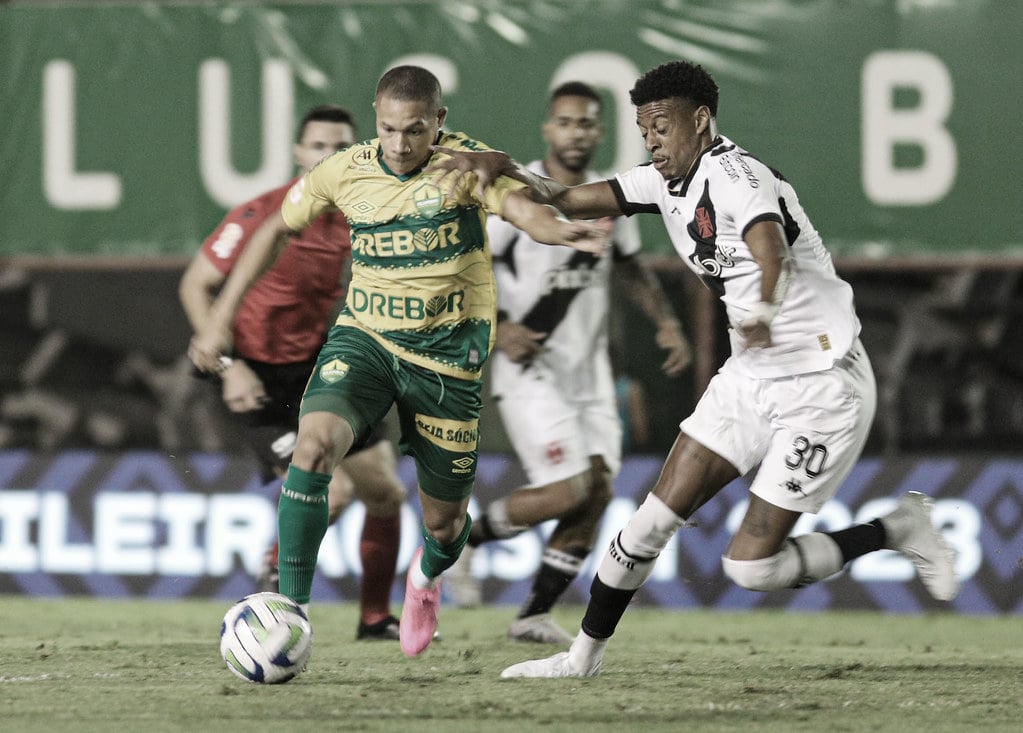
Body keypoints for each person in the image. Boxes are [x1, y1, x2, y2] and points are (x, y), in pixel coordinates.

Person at [428, 59, 958, 678]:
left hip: (822, 382)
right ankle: (580, 659)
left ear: (700, 120)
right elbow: (565, 196)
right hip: (750, 376)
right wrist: (504, 168)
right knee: (648, 523)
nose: (651, 139)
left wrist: (760, 307)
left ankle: (897, 528)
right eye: (643, 128)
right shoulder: (661, 182)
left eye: (661, 125)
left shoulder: (738, 177)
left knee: (751, 567)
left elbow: (771, 248)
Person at [187, 65, 610, 659]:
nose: (400, 144)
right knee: (313, 449)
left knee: (443, 527)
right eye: (388, 130)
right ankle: (291, 612)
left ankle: (425, 577)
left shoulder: (466, 165)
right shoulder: (344, 169)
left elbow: (524, 212)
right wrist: (221, 319)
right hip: (367, 342)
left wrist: (562, 232)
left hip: (447, 363)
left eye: (414, 130)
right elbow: (272, 231)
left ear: (438, 122)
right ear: (377, 120)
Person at [446, 82, 692, 646]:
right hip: (531, 368)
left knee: (599, 493)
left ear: (601, 132)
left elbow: (628, 266)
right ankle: (459, 541)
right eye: (566, 122)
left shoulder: (609, 197)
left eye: (587, 123)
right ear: (548, 129)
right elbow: (463, 268)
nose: (576, 132)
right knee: (567, 491)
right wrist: (500, 326)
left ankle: (531, 615)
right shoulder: (516, 193)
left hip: (589, 376)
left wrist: (667, 322)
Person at [179, 104, 409, 641]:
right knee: (332, 493)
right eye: (320, 146)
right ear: (299, 153)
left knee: (386, 495)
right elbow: (195, 285)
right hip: (253, 377)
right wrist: (230, 366)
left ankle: (375, 619)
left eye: (343, 147)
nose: (332, 156)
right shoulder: (261, 213)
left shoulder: (358, 216)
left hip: (315, 372)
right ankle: (270, 584)